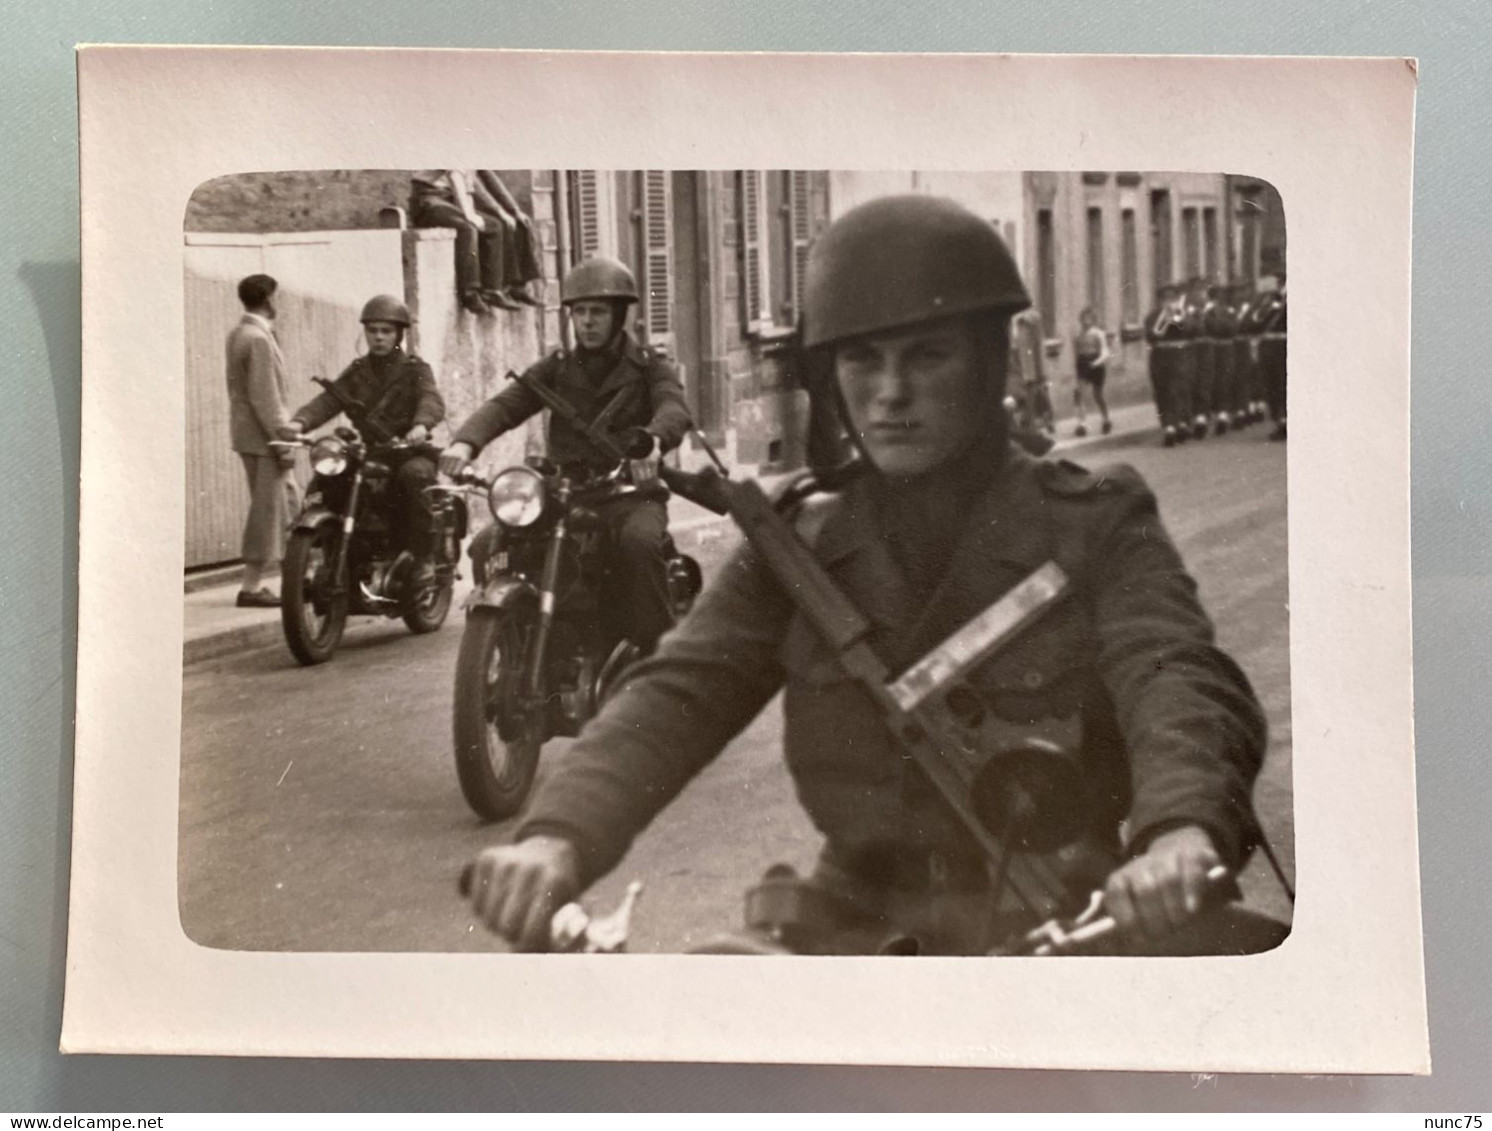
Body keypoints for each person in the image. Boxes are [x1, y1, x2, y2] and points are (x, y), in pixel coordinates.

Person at [462, 195, 1278, 958]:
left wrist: (1178, 831)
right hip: (853, 919)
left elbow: (1175, 675)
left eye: (926, 357)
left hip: (1063, 913)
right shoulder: (800, 537)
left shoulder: (1092, 520)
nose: (890, 395)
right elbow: (680, 689)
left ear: (987, 362)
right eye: (861, 360)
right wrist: (557, 836)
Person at [439, 256, 691, 654]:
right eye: (580, 312)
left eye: (598, 312)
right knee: (489, 543)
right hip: (564, 491)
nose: (588, 322)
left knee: (639, 544)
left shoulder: (649, 367)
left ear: (619, 316)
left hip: (627, 493)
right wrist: (464, 443)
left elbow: (673, 408)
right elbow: (507, 405)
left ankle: (659, 659)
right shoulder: (557, 368)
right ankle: (508, 647)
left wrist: (654, 441)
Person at [279, 295, 445, 583]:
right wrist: (299, 422)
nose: (378, 337)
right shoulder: (358, 371)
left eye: (386, 331)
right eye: (372, 331)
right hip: (374, 451)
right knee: (330, 479)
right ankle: (335, 550)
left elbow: (431, 400)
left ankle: (423, 557)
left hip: (409, 450)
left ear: (399, 334)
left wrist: (420, 425)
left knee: (415, 476)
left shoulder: (415, 370)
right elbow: (329, 400)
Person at [225, 273, 297, 608]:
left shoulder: (240, 333)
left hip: (251, 437)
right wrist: (282, 441)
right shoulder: (258, 339)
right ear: (269, 300)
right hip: (264, 439)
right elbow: (265, 397)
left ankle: (294, 578)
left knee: (286, 506)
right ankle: (251, 587)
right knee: (267, 511)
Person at [409, 170, 519, 316]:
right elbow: (455, 176)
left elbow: (467, 188)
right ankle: (469, 292)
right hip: (428, 199)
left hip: (447, 199)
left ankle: (491, 290)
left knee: (493, 225)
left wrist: (477, 213)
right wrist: (469, 215)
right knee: (467, 228)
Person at [1144, 283, 1192, 447]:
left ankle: (1179, 423)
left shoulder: (1182, 314)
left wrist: (1179, 317)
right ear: (1159, 301)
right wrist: (1162, 321)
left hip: (1178, 356)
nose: (1168, 303)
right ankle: (1168, 426)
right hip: (1159, 357)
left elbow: (1190, 331)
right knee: (1161, 391)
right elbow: (1150, 337)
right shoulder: (1152, 317)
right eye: (1165, 299)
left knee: (1177, 390)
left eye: (1172, 299)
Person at [1252, 275, 1288, 441]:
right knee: (1271, 384)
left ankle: (1287, 421)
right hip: (1268, 347)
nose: (1279, 286)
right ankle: (1279, 421)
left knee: (1283, 384)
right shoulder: (1269, 300)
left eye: (1282, 283)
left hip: (1284, 345)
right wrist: (1270, 304)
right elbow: (1256, 321)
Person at [1071, 306, 1112, 438]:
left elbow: (1105, 352)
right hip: (1083, 363)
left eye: (1088, 318)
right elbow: (1076, 352)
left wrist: (1096, 362)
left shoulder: (1098, 333)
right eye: (1083, 318)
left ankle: (1106, 419)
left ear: (1093, 320)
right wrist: (1077, 367)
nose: (1085, 321)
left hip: (1096, 364)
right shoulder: (1078, 335)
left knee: (1098, 395)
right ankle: (1082, 424)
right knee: (1080, 393)